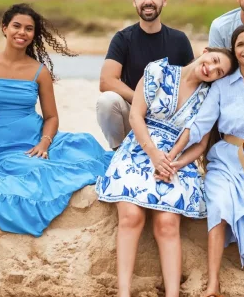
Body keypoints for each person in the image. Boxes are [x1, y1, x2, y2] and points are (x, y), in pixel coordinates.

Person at [0, 3, 113, 237]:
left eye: (29, 29)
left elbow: (51, 117)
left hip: (37, 139)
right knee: (40, 171)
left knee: (84, 144)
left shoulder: (39, 71)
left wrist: (44, 143)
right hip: (2, 148)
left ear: (34, 35)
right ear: (4, 28)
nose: (22, 32)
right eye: (16, 26)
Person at [164, 24, 244, 297]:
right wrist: (172, 155)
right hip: (226, 162)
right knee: (220, 203)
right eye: (240, 45)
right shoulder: (222, 86)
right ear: (235, 52)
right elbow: (199, 125)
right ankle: (213, 284)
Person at [95, 48, 236, 297]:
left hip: (177, 159)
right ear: (205, 52)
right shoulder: (158, 71)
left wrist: (176, 164)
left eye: (219, 72)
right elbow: (136, 117)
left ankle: (172, 293)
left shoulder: (209, 96)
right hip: (140, 147)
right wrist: (153, 154)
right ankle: (123, 292)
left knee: (167, 222)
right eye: (213, 61)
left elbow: (201, 145)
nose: (211, 69)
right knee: (131, 216)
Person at [97, 0, 195, 150]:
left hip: (170, 120)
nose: (148, 1)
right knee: (107, 101)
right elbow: (106, 81)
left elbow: (192, 84)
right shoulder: (122, 38)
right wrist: (141, 102)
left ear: (164, 0)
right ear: (134, 0)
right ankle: (118, 152)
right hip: (134, 115)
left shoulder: (179, 39)